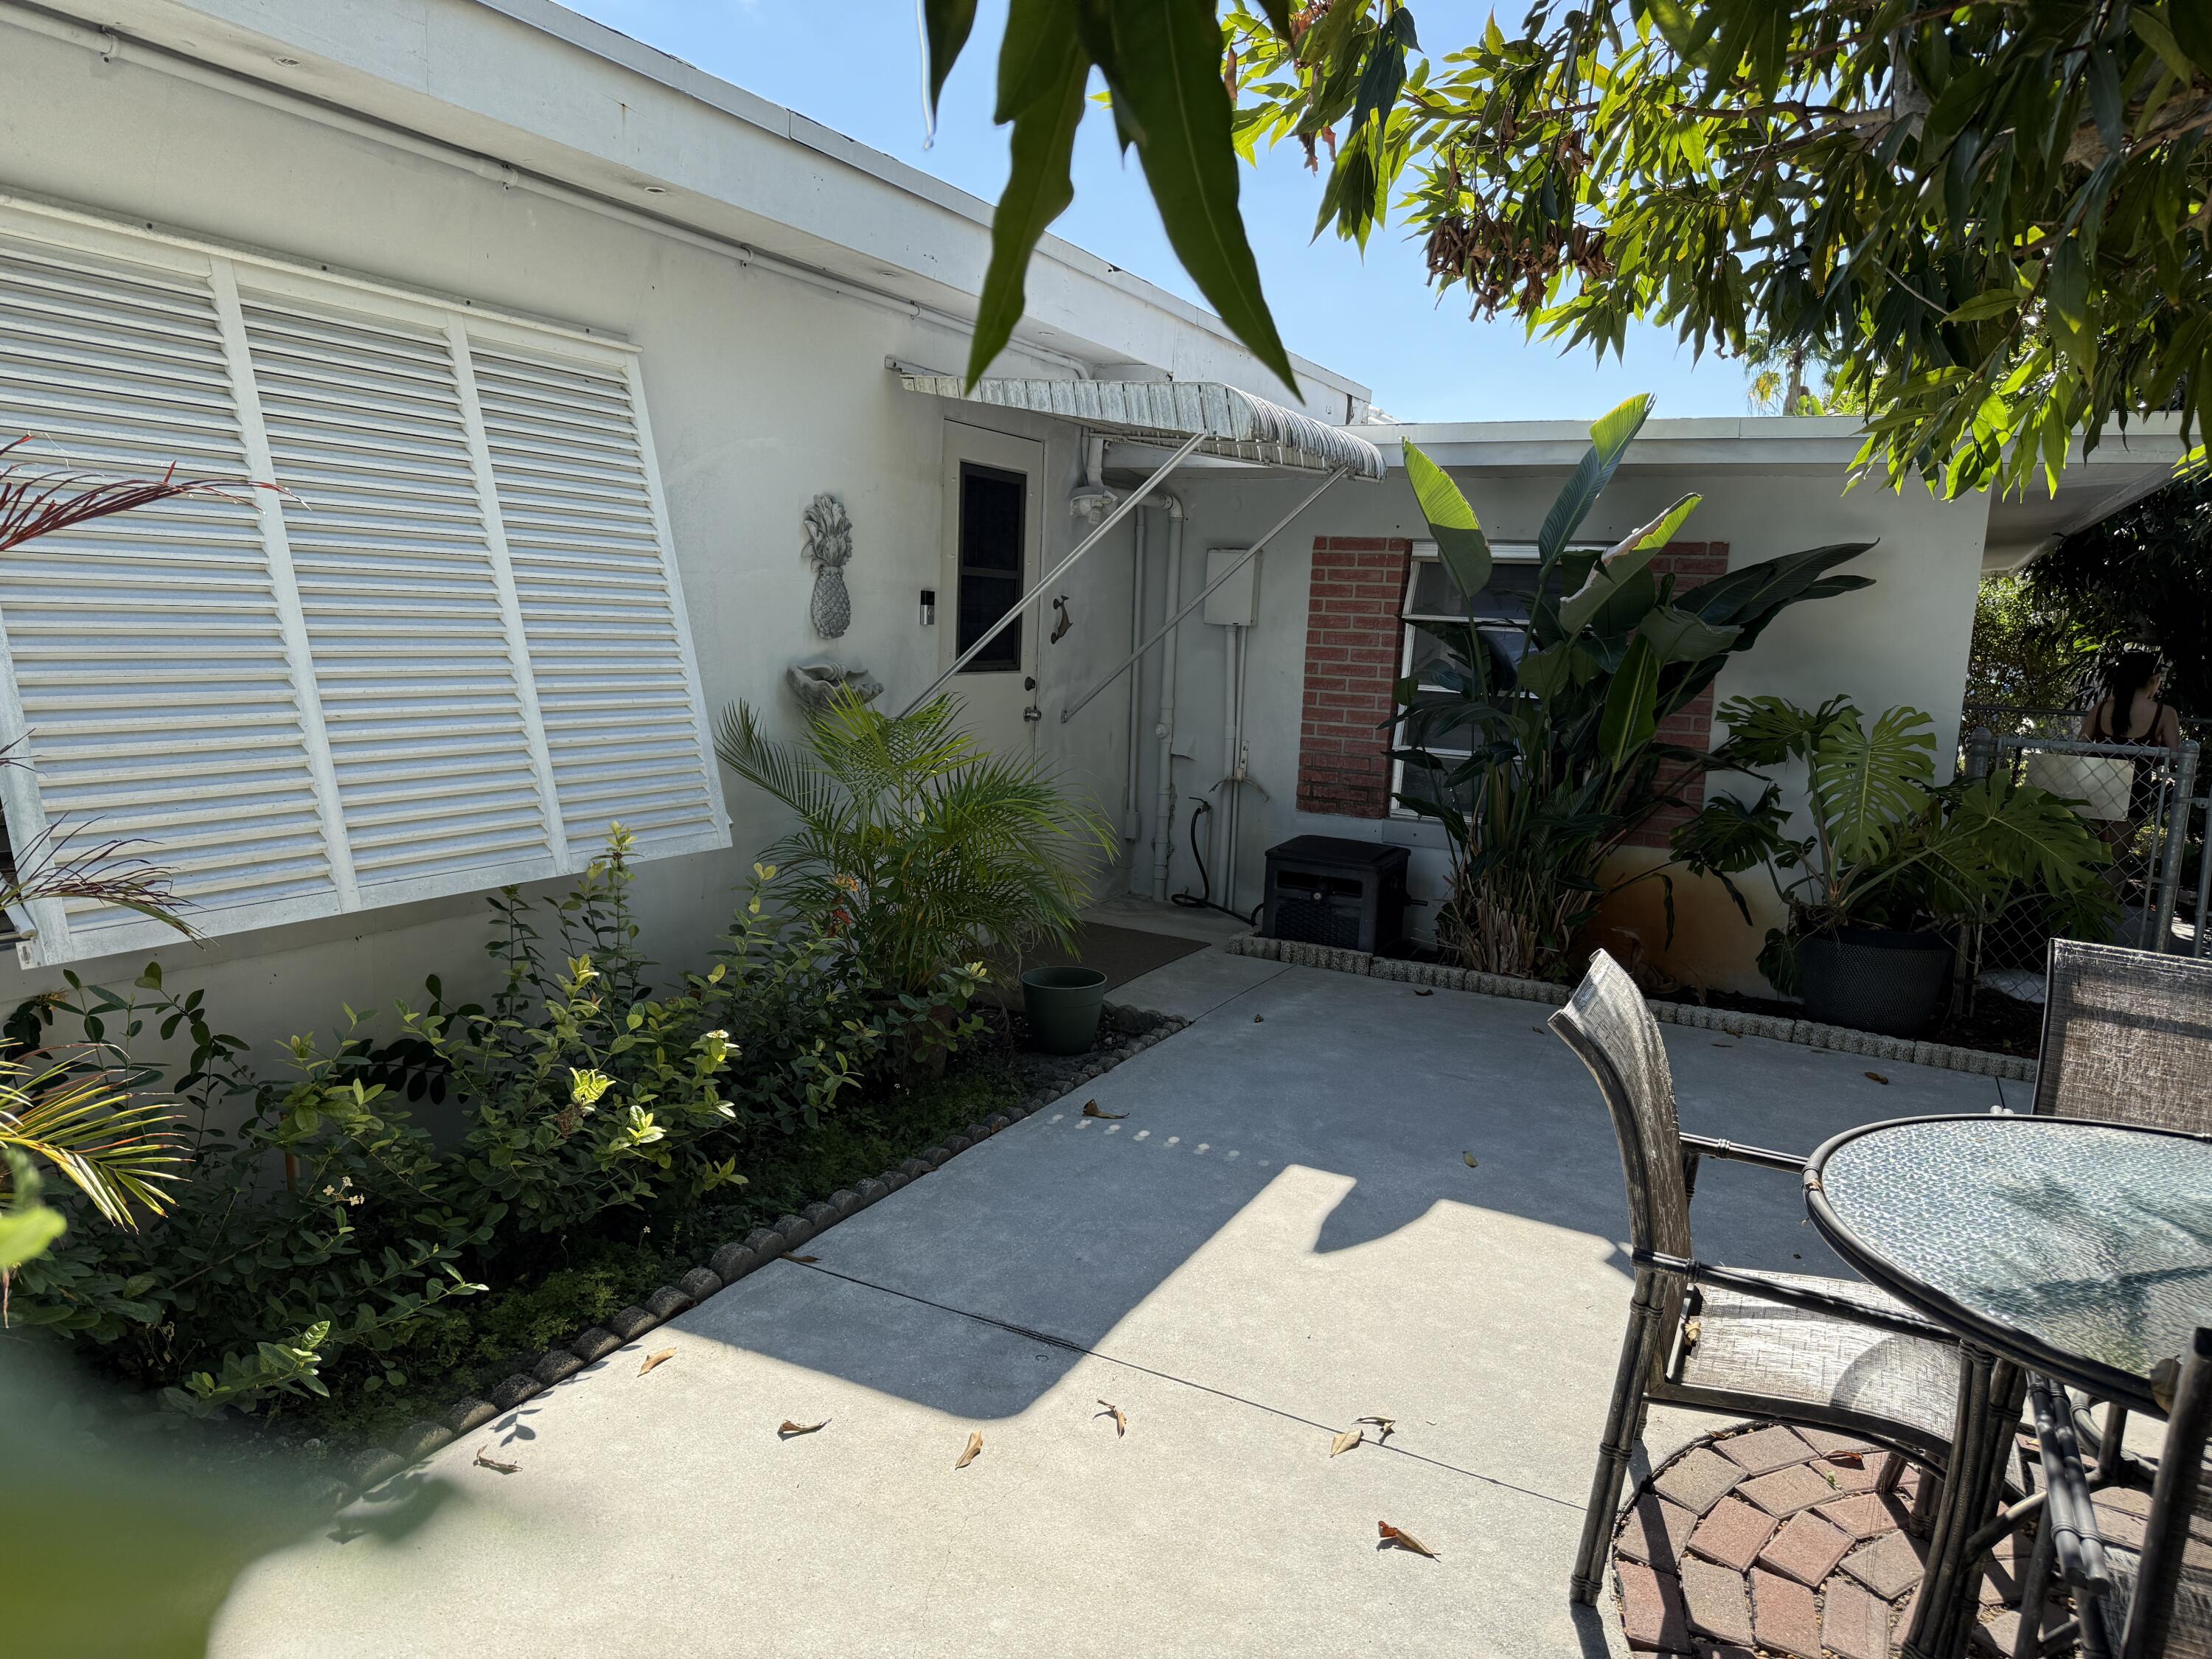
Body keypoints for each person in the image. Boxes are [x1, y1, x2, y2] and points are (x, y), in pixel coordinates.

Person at [2077, 650, 2183, 848]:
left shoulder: (2100, 709)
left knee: (2088, 853)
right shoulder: (2165, 713)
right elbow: (2176, 755)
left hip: (2095, 783)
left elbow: (2079, 748)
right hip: (2135, 789)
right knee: (2117, 857)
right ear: (2155, 679)